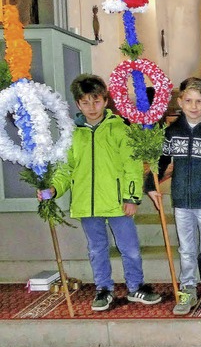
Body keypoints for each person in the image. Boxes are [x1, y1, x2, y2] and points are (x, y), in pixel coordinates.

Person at [38, 74, 161, 311]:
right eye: (85, 102)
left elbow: (132, 166)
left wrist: (131, 197)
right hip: (87, 202)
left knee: (130, 248)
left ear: (105, 101)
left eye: (96, 101)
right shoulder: (72, 134)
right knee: (96, 249)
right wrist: (54, 189)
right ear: (78, 104)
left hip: (117, 202)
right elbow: (66, 167)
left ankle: (135, 286)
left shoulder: (120, 129)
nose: (91, 107)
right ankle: (104, 289)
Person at [147, 78, 201, 315]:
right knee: (186, 249)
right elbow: (162, 160)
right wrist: (150, 184)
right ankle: (188, 288)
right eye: (188, 101)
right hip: (182, 202)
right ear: (180, 102)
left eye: (198, 101)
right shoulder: (172, 132)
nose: (193, 106)